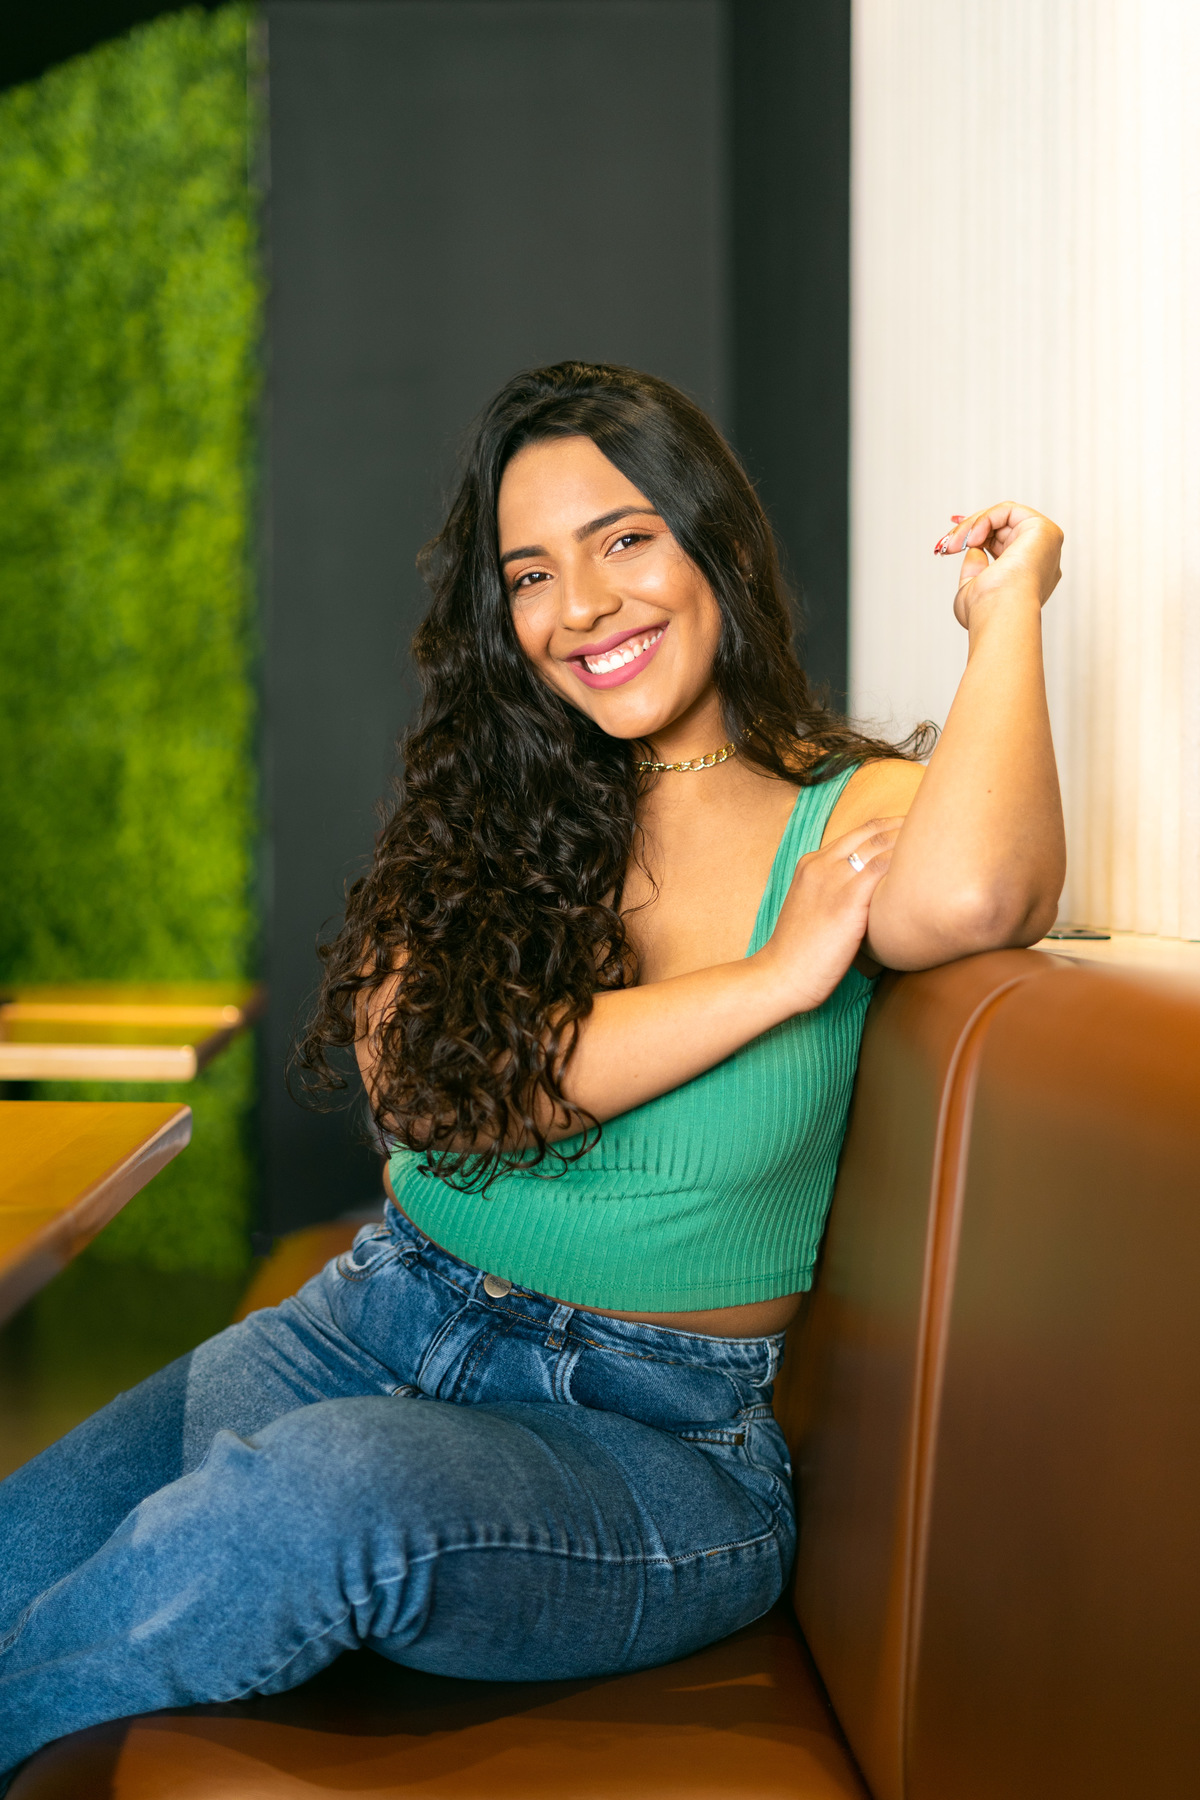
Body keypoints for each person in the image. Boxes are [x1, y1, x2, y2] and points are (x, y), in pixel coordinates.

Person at [0, 363, 1065, 1776]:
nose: (583, 607)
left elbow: (986, 894)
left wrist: (1008, 613)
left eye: (625, 539)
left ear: (716, 541)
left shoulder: (848, 811)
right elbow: (434, 1095)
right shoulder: (488, 803)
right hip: (372, 1324)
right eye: (531, 574)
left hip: (650, 1444)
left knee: (316, 1498)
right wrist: (770, 982)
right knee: (16, 1554)